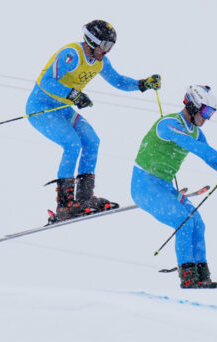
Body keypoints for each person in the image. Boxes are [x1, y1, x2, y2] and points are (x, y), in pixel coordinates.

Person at [27, 20, 162, 223]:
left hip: (62, 108)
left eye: (111, 47)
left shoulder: (100, 62)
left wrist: (142, 84)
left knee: (91, 140)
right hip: (41, 107)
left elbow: (118, 81)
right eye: (105, 45)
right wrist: (73, 94)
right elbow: (45, 81)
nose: (107, 51)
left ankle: (83, 198)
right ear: (91, 41)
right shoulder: (71, 55)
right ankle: (64, 204)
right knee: (72, 143)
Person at [131, 85, 217, 289]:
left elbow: (211, 158)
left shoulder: (197, 133)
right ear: (192, 106)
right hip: (145, 185)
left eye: (211, 113)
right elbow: (196, 148)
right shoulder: (168, 124)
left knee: (198, 224)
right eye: (206, 112)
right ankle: (189, 279)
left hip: (164, 187)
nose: (207, 118)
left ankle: (202, 277)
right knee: (184, 222)